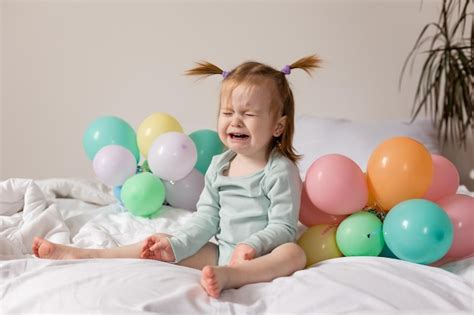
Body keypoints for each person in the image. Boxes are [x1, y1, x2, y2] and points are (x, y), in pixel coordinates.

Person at [32, 55, 321, 298]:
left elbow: (283, 226)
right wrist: (177, 246)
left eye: (248, 114)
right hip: (222, 253)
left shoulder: (279, 169)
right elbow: (206, 218)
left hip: (262, 255)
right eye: (227, 112)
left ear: (278, 127)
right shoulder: (221, 165)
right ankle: (86, 255)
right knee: (160, 241)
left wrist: (252, 245)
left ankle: (233, 277)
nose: (235, 121)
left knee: (293, 254)